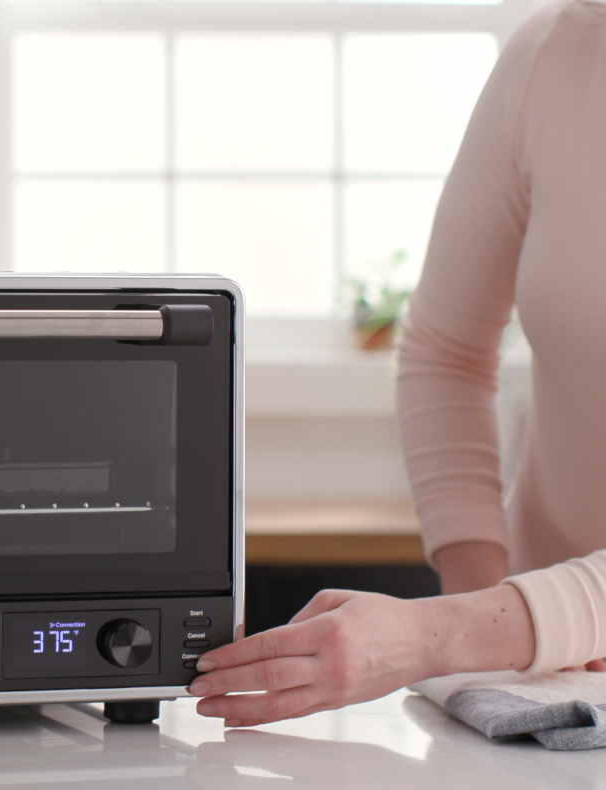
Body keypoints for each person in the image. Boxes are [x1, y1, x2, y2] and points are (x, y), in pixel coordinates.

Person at [191, 0, 606, 726]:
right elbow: (447, 350)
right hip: (550, 677)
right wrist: (484, 622)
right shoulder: (555, 54)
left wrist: (441, 635)